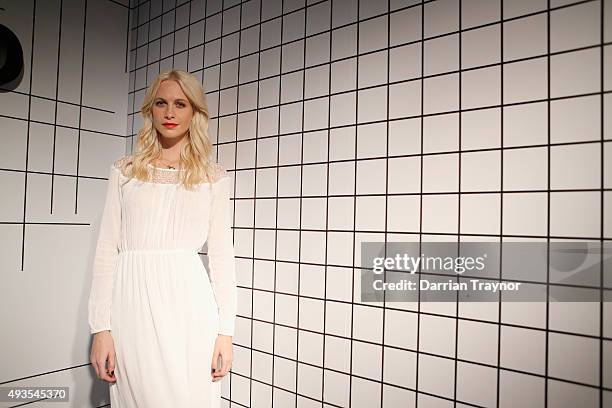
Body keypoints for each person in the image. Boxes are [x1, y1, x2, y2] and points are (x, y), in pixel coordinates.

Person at [87, 69, 237, 407]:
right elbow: (107, 249)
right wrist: (100, 328)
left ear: (194, 112)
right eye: (161, 103)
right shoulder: (125, 172)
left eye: (181, 104)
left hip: (191, 309)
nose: (170, 113)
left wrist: (225, 332)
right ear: (150, 110)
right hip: (133, 306)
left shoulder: (212, 177)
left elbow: (223, 257)